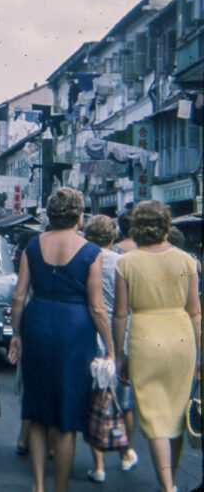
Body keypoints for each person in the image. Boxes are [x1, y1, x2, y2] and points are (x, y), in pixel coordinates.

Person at [8, 188, 114, 492]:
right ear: (80, 216)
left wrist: (16, 334)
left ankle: (39, 485)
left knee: (38, 409)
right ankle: (61, 488)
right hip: (74, 330)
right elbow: (96, 306)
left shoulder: (32, 245)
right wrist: (109, 347)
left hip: (37, 321)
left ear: (50, 216)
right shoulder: (91, 251)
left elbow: (18, 295)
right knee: (66, 415)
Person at [113, 200, 201, 492]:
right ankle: (172, 480)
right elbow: (195, 312)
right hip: (181, 337)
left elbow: (121, 314)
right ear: (167, 226)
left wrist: (119, 354)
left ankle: (167, 487)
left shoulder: (126, 262)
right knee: (176, 412)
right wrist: (201, 353)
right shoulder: (188, 260)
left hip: (145, 338)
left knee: (153, 417)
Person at [82, 214, 138, 482]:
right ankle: (126, 453)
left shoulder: (83, 261)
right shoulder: (123, 263)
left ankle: (99, 465)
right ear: (113, 237)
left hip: (90, 335)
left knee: (96, 399)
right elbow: (126, 308)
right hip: (120, 335)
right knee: (123, 402)